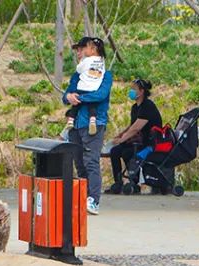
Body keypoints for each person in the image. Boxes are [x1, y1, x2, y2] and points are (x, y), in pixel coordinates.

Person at [63, 36, 113, 216]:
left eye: (81, 49)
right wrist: (68, 97)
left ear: (92, 48)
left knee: (91, 161)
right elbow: (68, 92)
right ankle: (82, 196)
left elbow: (100, 95)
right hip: (76, 124)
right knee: (78, 160)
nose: (78, 53)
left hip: (95, 123)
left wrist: (80, 98)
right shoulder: (79, 74)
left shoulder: (106, 75)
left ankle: (94, 200)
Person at [106, 78, 162, 194]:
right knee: (115, 151)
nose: (131, 91)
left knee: (127, 153)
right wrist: (120, 135)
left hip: (149, 143)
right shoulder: (135, 107)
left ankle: (134, 180)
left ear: (141, 92)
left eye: (133, 89)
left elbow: (137, 128)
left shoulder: (148, 106)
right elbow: (131, 126)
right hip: (137, 141)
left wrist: (122, 139)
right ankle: (118, 183)